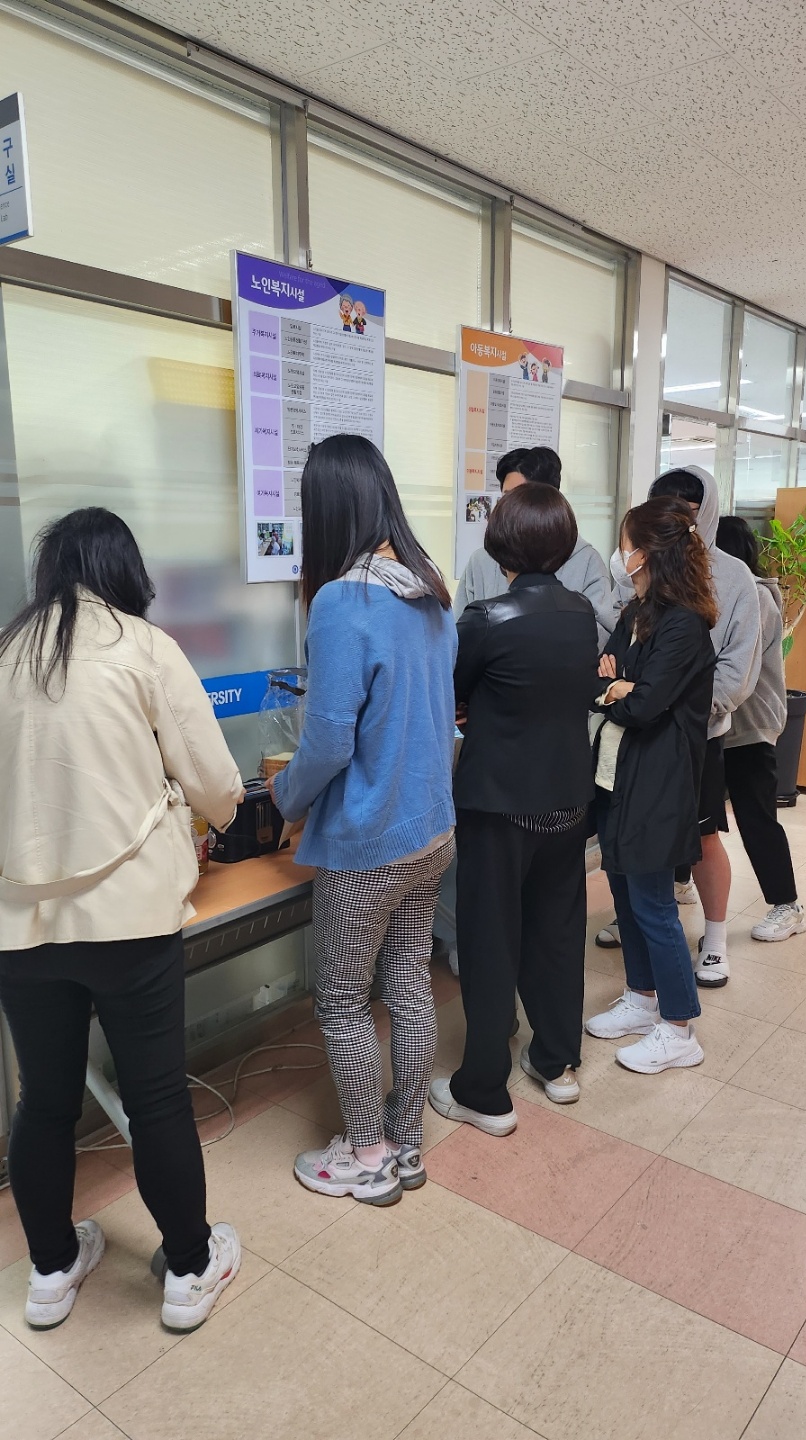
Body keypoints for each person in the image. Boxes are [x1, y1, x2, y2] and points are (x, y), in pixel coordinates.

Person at [0, 508, 244, 1333]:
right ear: (125, 571)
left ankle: (49, 1270)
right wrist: (214, 814)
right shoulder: (144, 647)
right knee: (156, 1096)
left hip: (20, 923)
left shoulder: (5, 653)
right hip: (130, 917)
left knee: (43, 1101)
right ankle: (188, 1270)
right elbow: (214, 780)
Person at [271, 435, 456, 1205]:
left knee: (343, 1001)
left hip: (369, 844)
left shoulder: (343, 602)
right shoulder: (428, 589)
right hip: (430, 830)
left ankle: (366, 1155)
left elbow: (327, 742)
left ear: (327, 509)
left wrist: (283, 799)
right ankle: (405, 1143)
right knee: (408, 982)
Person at [429, 484, 597, 1133]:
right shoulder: (580, 612)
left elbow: (452, 691)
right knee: (557, 932)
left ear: (500, 543)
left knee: (490, 937)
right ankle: (556, 1064)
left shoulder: (486, 618)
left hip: (498, 804)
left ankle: (483, 1090)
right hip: (567, 798)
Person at [605, 466, 761, 986]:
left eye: (688, 509)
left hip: (697, 733)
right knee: (645, 848)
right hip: (637, 734)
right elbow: (613, 663)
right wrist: (628, 689)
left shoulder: (733, 578)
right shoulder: (641, 583)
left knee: (703, 836)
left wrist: (674, 704)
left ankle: (714, 939)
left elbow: (736, 670)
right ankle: (644, 944)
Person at [585, 497, 717, 1072]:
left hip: (658, 781)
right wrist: (617, 688)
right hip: (616, 775)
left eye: (626, 544)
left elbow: (642, 706)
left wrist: (623, 689)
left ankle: (680, 1027)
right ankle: (641, 998)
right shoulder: (634, 613)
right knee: (624, 895)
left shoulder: (683, 624)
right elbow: (600, 678)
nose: (621, 554)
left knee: (654, 905)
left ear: (645, 554)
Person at [716, 516, 805, 941]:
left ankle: (787, 905)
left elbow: (736, 672)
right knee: (695, 814)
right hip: (716, 726)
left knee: (756, 817)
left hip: (749, 726)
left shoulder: (754, 597)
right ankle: (679, 880)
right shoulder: (717, 592)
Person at [454, 446, 615, 644]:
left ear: (550, 503)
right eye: (506, 497)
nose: (511, 508)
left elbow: (603, 633)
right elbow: (459, 633)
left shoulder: (586, 560)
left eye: (521, 497)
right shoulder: (481, 560)